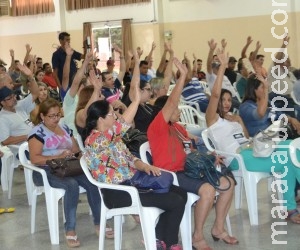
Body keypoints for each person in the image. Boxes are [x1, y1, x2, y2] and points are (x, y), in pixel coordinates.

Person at [82, 53, 187, 250]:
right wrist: (136, 101)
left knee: (180, 192)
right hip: (119, 192)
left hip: (134, 182)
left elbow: (131, 159)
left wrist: (145, 166)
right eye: (112, 114)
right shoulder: (95, 140)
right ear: (100, 119)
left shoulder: (114, 139)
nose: (116, 116)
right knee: (173, 200)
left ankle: (161, 240)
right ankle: (168, 242)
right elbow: (124, 123)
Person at [210, 50, 300, 225]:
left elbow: (246, 137)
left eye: (229, 100)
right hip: (239, 158)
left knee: (291, 153)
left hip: (251, 150)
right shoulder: (213, 120)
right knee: (291, 151)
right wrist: (222, 67)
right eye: (224, 100)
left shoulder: (235, 117)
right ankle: (289, 207)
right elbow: (214, 95)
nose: (227, 103)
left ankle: (289, 208)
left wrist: (239, 122)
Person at [27, 98, 105, 248]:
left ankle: (99, 222)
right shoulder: (37, 132)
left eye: (58, 115)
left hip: (67, 167)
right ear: (42, 116)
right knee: (71, 185)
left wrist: (81, 156)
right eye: (52, 116)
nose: (56, 119)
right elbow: (35, 159)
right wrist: (58, 156)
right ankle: (70, 229)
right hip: (45, 170)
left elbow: (75, 150)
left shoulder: (64, 127)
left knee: (91, 181)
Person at [0, 64, 39, 146]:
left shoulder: (18, 105)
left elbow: (35, 93)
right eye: (10, 83)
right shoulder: (2, 117)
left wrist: (31, 76)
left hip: (36, 141)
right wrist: (27, 136)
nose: (13, 85)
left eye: (13, 96)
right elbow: (5, 141)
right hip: (24, 149)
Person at [52, 32, 84, 100]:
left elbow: (82, 56)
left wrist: (86, 48)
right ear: (61, 41)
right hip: (65, 85)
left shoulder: (71, 51)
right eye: (66, 39)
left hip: (74, 82)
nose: (68, 41)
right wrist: (60, 87)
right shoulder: (56, 54)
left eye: (69, 39)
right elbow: (55, 73)